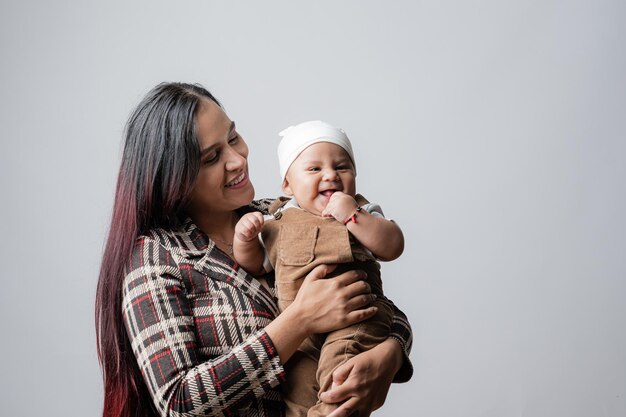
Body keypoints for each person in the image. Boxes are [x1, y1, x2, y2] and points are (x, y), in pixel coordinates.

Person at [95, 82, 413, 417]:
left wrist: (392, 352)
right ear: (174, 177)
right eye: (212, 157)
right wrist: (300, 320)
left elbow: (367, 291)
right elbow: (179, 402)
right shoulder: (156, 258)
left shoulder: (282, 216)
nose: (237, 160)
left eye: (232, 137)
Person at [232, 120, 405, 417]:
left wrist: (352, 216)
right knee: (298, 394)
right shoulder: (275, 221)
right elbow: (255, 264)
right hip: (301, 340)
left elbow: (392, 246)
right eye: (314, 169)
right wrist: (244, 237)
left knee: (340, 374)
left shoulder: (362, 210)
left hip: (355, 319)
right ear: (287, 184)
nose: (330, 176)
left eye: (342, 167)